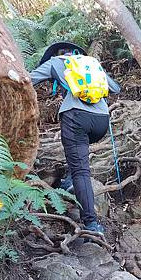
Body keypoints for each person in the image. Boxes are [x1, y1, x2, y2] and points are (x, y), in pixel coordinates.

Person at [29, 42, 120, 235]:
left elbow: (28, 79)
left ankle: (91, 224)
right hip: (101, 121)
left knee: (81, 171)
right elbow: (114, 88)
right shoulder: (90, 62)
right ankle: (70, 179)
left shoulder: (55, 62)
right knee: (79, 155)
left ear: (56, 53)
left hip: (75, 117)